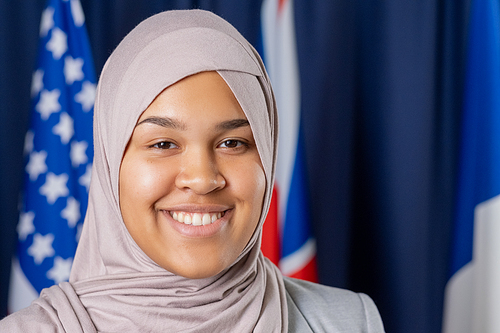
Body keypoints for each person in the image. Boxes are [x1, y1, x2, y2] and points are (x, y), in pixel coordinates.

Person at [0, 9, 384, 332]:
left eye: (233, 143)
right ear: (109, 162)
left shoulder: (350, 321)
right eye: (163, 144)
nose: (202, 179)